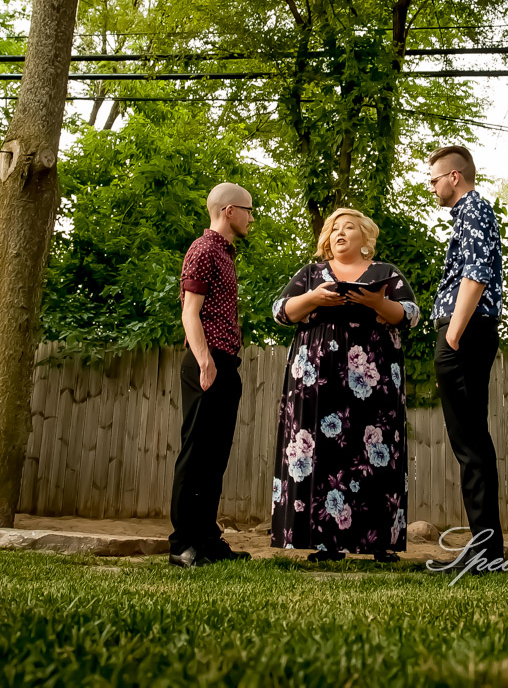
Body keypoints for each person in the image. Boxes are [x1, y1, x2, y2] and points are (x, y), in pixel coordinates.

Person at [269, 208, 418, 562]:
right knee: (321, 450)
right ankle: (325, 544)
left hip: (374, 376)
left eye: (348, 227)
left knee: (374, 451)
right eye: (334, 228)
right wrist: (313, 299)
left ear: (365, 238)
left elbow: (411, 313)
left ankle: (378, 542)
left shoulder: (386, 273)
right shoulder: (310, 274)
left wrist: (378, 302)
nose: (339, 233)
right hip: (315, 377)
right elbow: (279, 311)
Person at [169, 182, 254, 567]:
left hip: (225, 362)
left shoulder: (225, 254)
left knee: (215, 457)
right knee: (196, 453)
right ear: (229, 211)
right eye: (249, 210)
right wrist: (205, 362)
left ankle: (207, 541)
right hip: (207, 361)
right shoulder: (203, 249)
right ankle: (182, 544)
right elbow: (190, 312)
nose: (252, 218)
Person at [427, 145, 505, 565]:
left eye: (434, 179)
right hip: (470, 331)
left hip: (465, 332)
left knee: (470, 443)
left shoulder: (474, 209)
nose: (432, 187)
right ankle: (486, 549)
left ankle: (486, 552)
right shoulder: (473, 214)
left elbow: (476, 272)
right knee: (472, 440)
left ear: (455, 176)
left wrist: (453, 333)